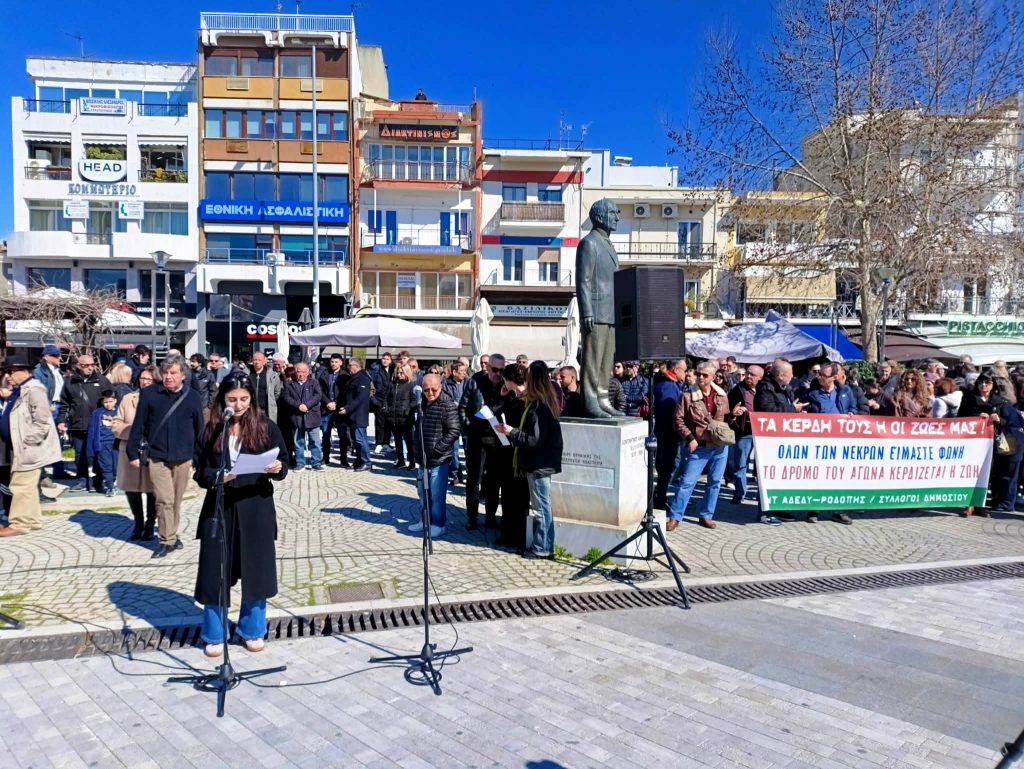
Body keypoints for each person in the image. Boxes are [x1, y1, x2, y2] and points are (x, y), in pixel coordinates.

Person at [193, 375, 288, 658]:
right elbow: (200, 471)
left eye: (244, 399)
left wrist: (276, 467)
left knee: (256, 571)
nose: (238, 405)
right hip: (220, 508)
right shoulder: (212, 428)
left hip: (255, 505)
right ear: (222, 399)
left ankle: (252, 629)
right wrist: (217, 476)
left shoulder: (265, 426)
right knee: (215, 573)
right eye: (232, 400)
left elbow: (284, 461)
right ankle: (214, 633)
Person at [127, 358, 205, 558]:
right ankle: (166, 539)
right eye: (166, 373)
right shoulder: (150, 394)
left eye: (174, 373)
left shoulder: (193, 397)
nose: (169, 377)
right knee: (163, 499)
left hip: (183, 457)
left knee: (175, 500)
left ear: (182, 375)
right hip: (157, 456)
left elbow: (199, 430)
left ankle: (172, 532)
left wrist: (200, 457)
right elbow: (139, 425)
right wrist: (132, 452)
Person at [496, 361, 563, 559]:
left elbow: (534, 440)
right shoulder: (541, 402)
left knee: (541, 509)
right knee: (543, 507)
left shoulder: (540, 407)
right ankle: (545, 547)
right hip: (540, 462)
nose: (524, 382)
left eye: (527, 379)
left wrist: (512, 431)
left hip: (539, 464)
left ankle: (542, 549)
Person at [0, 356, 62, 537]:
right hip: (20, 447)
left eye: (11, 372)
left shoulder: (34, 389)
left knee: (20, 485)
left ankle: (19, 524)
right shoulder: (20, 390)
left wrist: (27, 441)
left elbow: (42, 422)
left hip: (29, 449)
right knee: (28, 486)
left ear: (24, 371)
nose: (8, 376)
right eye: (6, 372)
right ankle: (33, 520)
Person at [665, 362, 731, 531]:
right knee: (686, 482)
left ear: (714, 377)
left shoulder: (722, 395)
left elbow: (726, 420)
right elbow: (678, 420)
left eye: (705, 375)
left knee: (715, 482)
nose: (700, 377)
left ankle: (706, 515)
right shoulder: (687, 396)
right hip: (699, 446)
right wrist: (690, 438)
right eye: (699, 374)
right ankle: (675, 516)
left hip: (720, 446)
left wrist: (735, 416)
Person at [576, 199, 622, 417]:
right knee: (593, 359)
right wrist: (586, 310)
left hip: (609, 311)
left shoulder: (608, 244)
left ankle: (603, 397)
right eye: (613, 213)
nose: (617, 217)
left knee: (606, 361)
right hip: (594, 311)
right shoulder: (589, 243)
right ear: (600, 216)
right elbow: (583, 280)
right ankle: (590, 400)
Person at [803, 363, 860, 524]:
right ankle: (814, 510)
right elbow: (803, 409)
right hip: (819, 441)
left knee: (839, 476)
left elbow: (854, 408)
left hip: (840, 441)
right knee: (818, 475)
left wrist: (851, 413)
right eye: (819, 374)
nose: (819, 377)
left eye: (823, 375)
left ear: (834, 377)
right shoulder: (812, 393)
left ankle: (839, 511)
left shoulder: (845, 391)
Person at [459, 353, 510, 530]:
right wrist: (469, 429)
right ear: (487, 368)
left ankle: (490, 517)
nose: (498, 373)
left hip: (498, 439)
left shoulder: (506, 385)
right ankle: (471, 517)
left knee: (494, 480)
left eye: (501, 370)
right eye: (495, 369)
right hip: (477, 437)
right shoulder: (474, 382)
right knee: (474, 479)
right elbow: (462, 409)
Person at [960, 373, 1024, 515]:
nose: (984, 385)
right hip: (974, 443)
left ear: (993, 385)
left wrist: (999, 419)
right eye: (981, 382)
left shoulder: (1001, 402)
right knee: (973, 472)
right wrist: (976, 418)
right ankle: (969, 504)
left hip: (996, 444)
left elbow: (1012, 423)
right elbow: (960, 419)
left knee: (993, 473)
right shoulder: (968, 400)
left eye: (987, 382)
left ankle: (983, 504)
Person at [753, 359, 806, 524]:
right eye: (789, 374)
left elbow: (787, 408)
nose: (792, 377)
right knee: (767, 476)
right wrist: (792, 410)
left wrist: (797, 412)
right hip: (768, 441)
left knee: (780, 477)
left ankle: (779, 508)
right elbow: (767, 411)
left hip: (784, 439)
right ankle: (765, 513)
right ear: (781, 375)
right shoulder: (765, 388)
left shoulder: (786, 389)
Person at [408, 373, 460, 538]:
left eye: (434, 390)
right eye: (426, 390)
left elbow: (454, 430)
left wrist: (438, 448)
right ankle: (424, 520)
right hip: (422, 458)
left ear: (441, 387)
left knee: (436, 494)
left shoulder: (447, 405)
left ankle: (438, 524)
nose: (430, 393)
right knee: (423, 493)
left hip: (439, 458)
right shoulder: (420, 403)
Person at [111, 366, 157, 540]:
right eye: (142, 378)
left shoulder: (159, 398)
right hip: (129, 449)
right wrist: (133, 431)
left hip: (151, 450)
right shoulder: (128, 399)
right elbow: (116, 424)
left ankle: (150, 524)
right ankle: (138, 522)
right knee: (132, 489)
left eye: (149, 379)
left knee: (152, 489)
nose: (144, 382)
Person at [58, 354, 111, 493]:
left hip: (97, 424)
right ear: (78, 366)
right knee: (79, 454)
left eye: (92, 365)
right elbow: (64, 404)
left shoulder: (102, 380)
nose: (89, 368)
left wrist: (109, 417)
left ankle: (98, 481)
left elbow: (111, 399)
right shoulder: (70, 382)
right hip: (77, 423)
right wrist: (61, 420)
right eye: (86, 365)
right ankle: (82, 480)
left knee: (97, 453)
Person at [493, 366, 531, 551]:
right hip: (508, 451)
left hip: (520, 453)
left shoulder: (527, 399)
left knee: (520, 497)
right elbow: (500, 412)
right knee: (507, 494)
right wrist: (502, 396)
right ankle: (507, 532)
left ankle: (519, 537)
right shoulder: (512, 397)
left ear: (509, 379)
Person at [726, 364, 763, 506]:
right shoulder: (738, 390)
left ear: (760, 377)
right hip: (744, 431)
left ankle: (761, 496)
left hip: (762, 432)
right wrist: (733, 413)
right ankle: (739, 493)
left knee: (761, 467)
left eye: (752, 375)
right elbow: (728, 408)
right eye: (747, 373)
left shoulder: (765, 390)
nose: (748, 376)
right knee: (741, 463)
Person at [653, 359, 687, 509]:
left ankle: (659, 496)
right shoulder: (668, 386)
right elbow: (671, 413)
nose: (686, 374)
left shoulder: (670, 384)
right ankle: (659, 499)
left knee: (668, 467)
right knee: (667, 467)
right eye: (684, 370)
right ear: (676, 369)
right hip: (668, 434)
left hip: (667, 433)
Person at [283, 362, 323, 471]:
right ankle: (300, 463)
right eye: (298, 371)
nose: (301, 374)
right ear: (295, 372)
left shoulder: (314, 383)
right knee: (298, 442)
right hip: (297, 417)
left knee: (315, 442)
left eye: (303, 372)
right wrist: (298, 406)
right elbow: (286, 397)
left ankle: (316, 463)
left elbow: (318, 395)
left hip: (312, 416)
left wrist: (307, 405)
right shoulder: (289, 384)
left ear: (308, 372)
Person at [338, 358, 372, 472]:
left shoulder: (363, 379)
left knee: (361, 439)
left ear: (357, 366)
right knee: (356, 440)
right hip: (352, 415)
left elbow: (360, 398)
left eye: (350, 365)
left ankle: (367, 462)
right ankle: (359, 460)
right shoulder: (354, 378)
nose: (348, 367)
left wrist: (347, 408)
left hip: (359, 415)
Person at [86, 390, 119, 496]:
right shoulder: (97, 413)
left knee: (116, 466)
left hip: (116, 443)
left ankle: (113, 482)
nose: (108, 404)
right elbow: (92, 431)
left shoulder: (119, 412)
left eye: (110, 401)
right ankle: (110, 486)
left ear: (115, 401)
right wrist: (90, 449)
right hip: (102, 444)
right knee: (106, 465)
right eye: (105, 402)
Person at [441, 360, 469, 484]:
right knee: (454, 449)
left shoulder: (468, 383)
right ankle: (456, 474)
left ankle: (470, 471)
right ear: (454, 372)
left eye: (464, 371)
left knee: (469, 448)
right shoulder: (445, 384)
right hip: (452, 420)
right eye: (461, 371)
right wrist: (453, 404)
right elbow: (444, 400)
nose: (464, 373)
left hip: (467, 420)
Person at [317, 354, 347, 465]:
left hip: (340, 409)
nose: (333, 364)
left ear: (341, 362)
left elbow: (345, 393)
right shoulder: (324, 374)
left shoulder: (345, 375)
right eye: (332, 361)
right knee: (325, 435)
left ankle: (343, 459)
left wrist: (337, 404)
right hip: (326, 409)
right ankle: (325, 458)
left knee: (342, 436)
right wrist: (327, 402)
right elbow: (319, 390)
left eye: (336, 362)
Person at [386, 364, 416, 469]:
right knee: (397, 441)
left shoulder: (411, 385)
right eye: (398, 373)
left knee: (409, 441)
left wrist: (407, 410)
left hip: (405, 418)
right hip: (394, 417)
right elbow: (387, 398)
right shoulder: (393, 384)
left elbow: (414, 401)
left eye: (401, 373)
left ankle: (412, 461)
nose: (399, 375)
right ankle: (401, 460)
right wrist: (386, 408)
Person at [369, 352, 394, 454]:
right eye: (384, 358)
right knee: (379, 423)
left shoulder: (393, 370)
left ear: (391, 361)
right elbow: (371, 386)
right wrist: (374, 400)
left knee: (388, 422)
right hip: (378, 400)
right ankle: (379, 443)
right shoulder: (375, 370)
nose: (385, 361)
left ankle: (386, 443)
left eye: (387, 359)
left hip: (390, 400)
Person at [249, 351, 282, 424]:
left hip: (266, 411)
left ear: (264, 361)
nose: (257, 362)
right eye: (255, 360)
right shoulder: (248, 374)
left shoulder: (272, 375)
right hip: (251, 410)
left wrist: (271, 400)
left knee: (267, 432)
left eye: (259, 360)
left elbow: (277, 392)